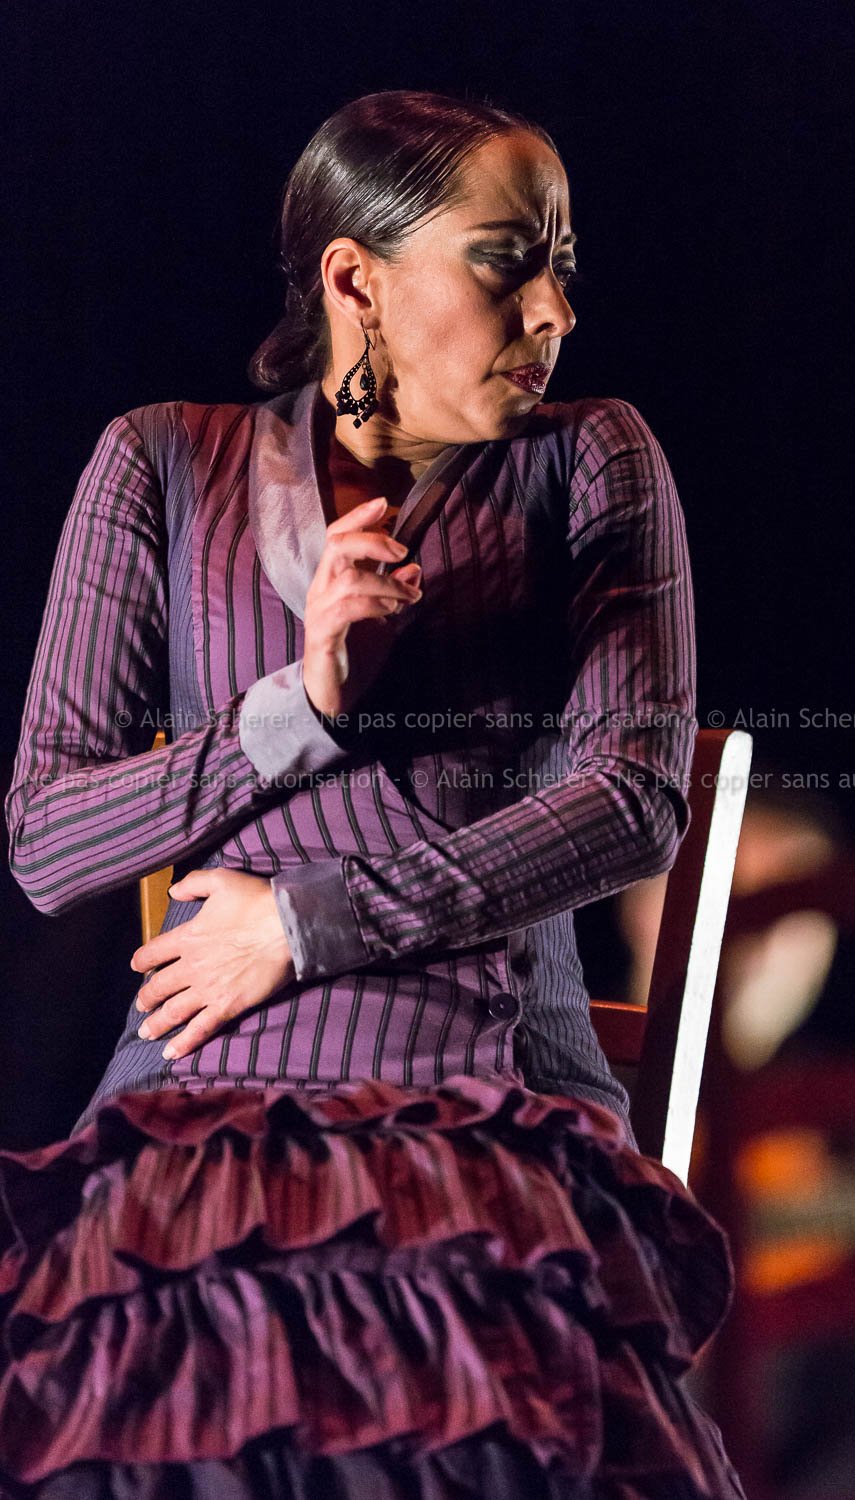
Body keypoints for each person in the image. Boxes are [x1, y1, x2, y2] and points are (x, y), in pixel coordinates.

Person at [0, 89, 745, 1498]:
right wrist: (302, 713)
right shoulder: (163, 463)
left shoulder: (590, 459)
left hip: (488, 1112)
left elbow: (633, 797)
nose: (553, 313)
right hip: (202, 1111)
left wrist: (307, 924)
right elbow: (47, 838)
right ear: (358, 281)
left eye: (560, 268)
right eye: (505, 262)